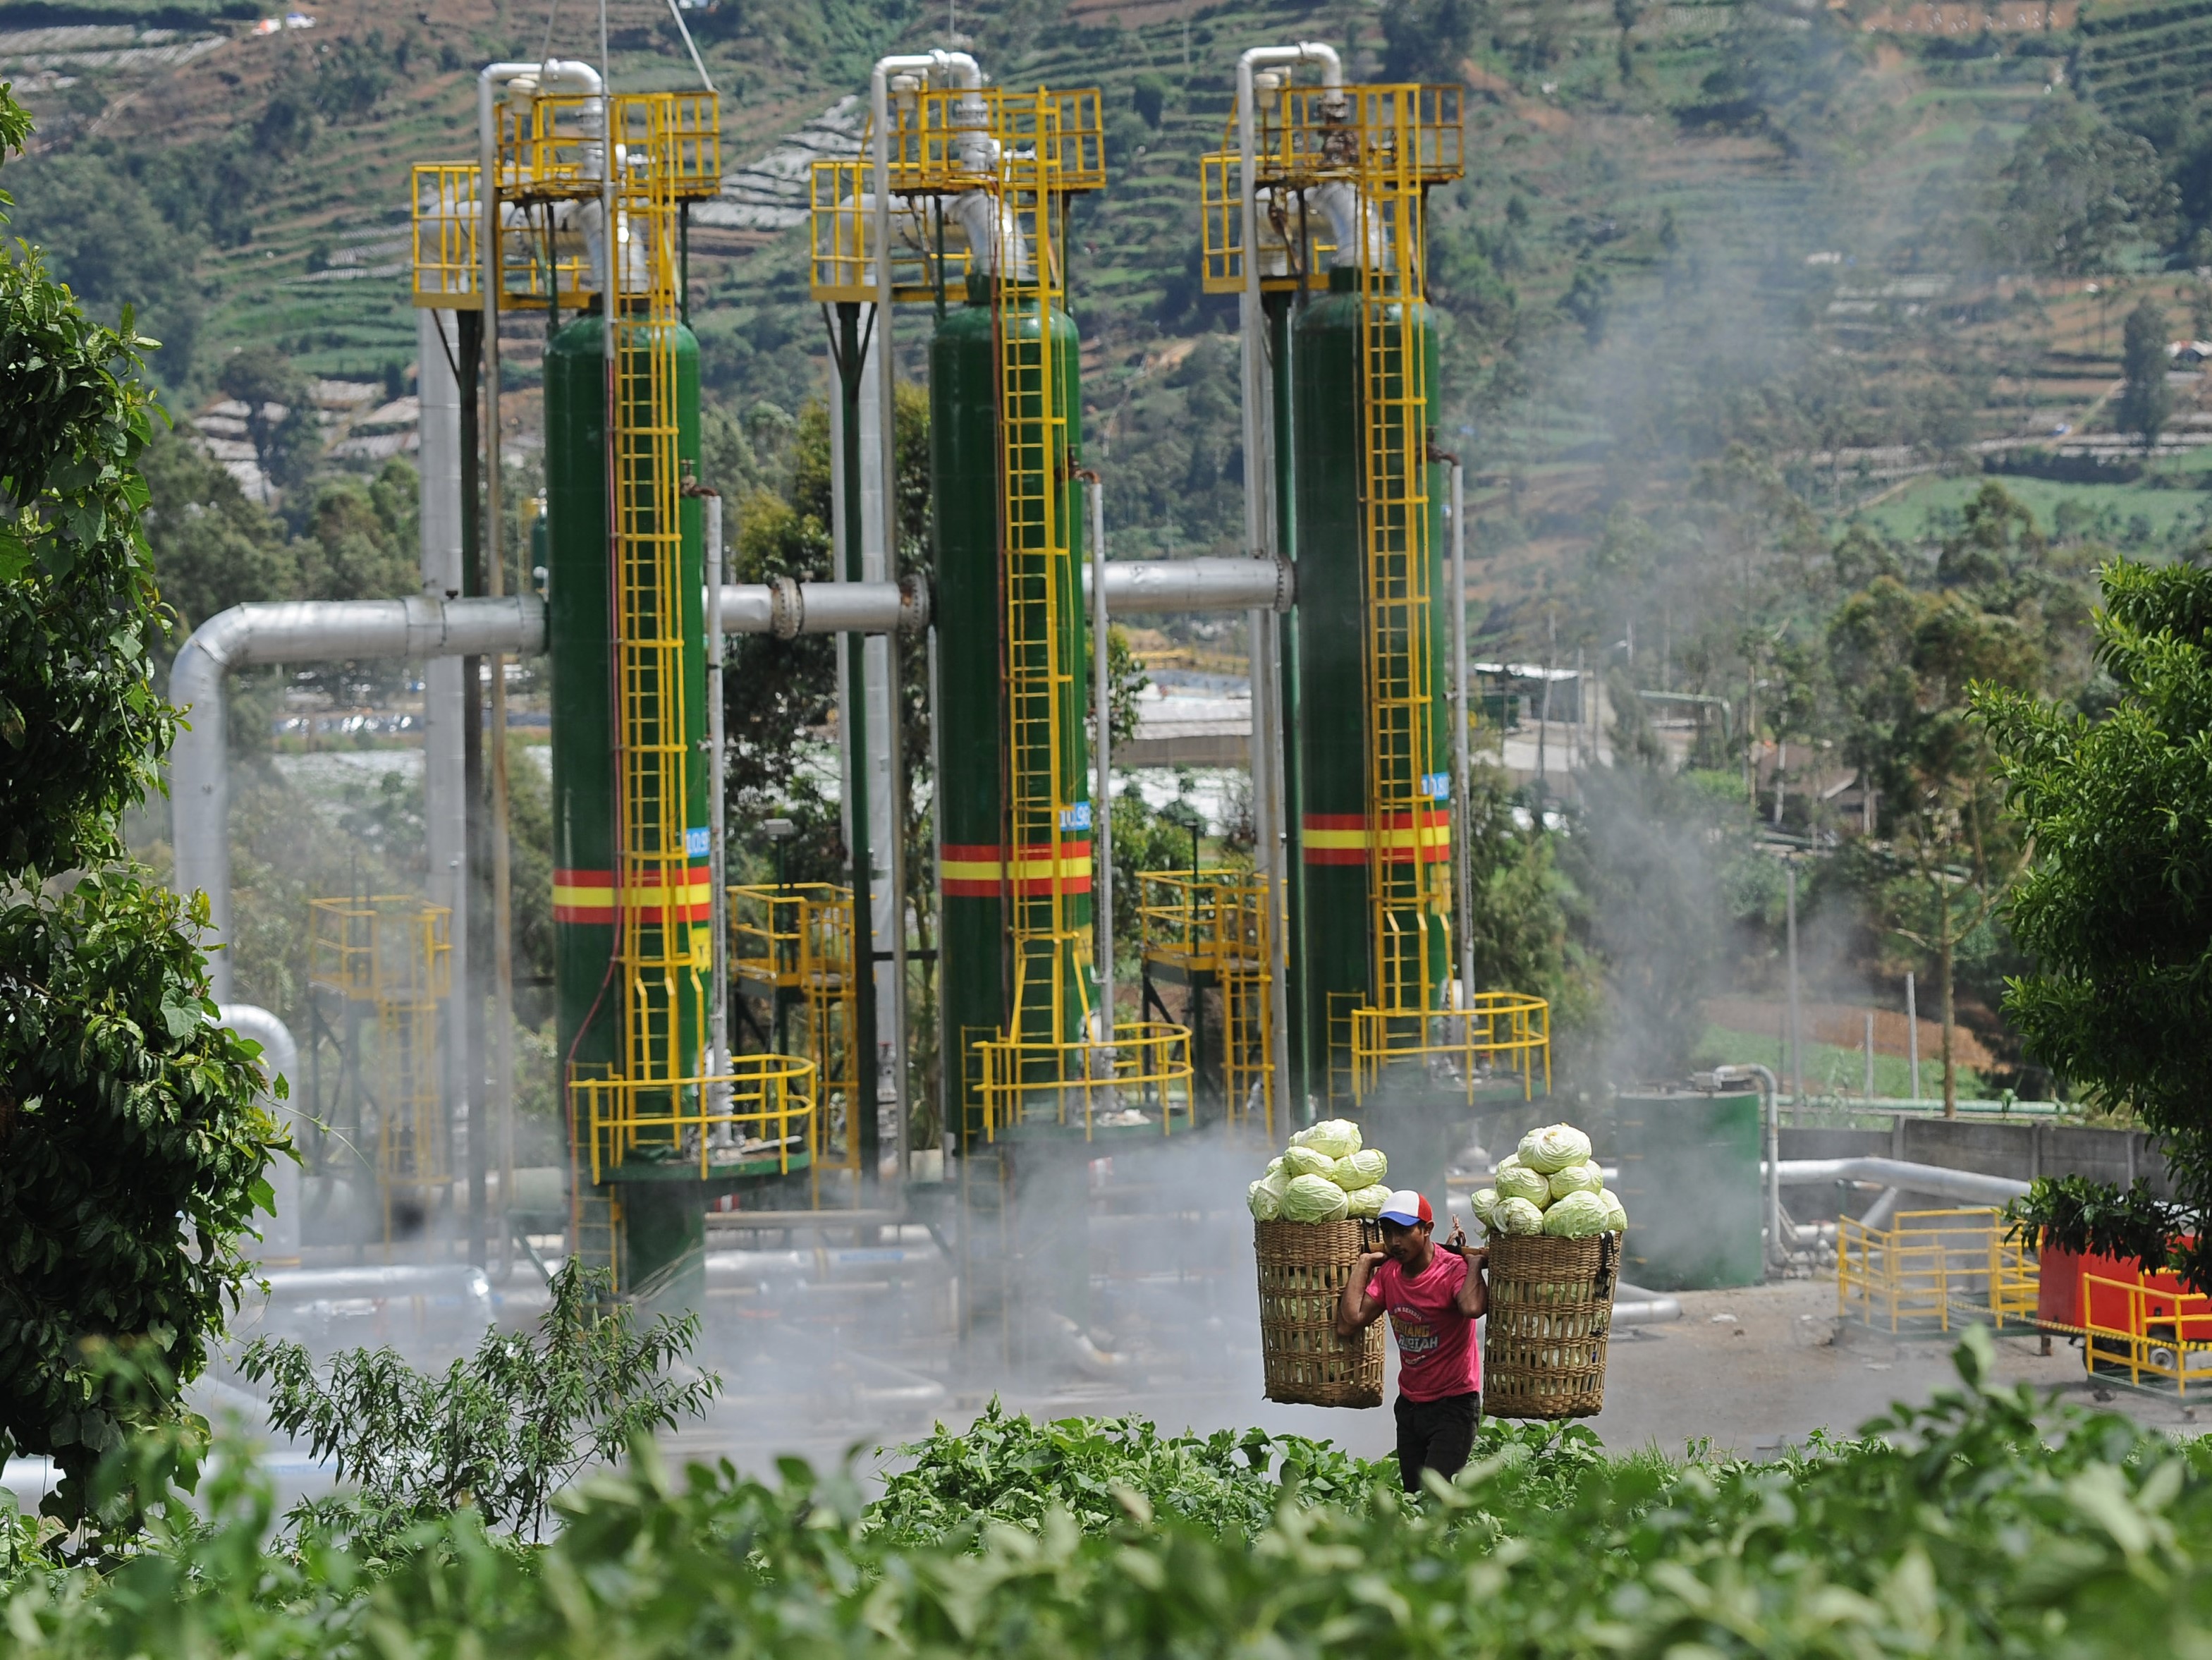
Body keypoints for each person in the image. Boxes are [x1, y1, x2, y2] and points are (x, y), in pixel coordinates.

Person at [1333, 1189, 1486, 1494]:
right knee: (1413, 1498)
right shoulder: (1390, 1274)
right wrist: (1365, 1263)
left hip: (1454, 1405)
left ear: (1427, 1230)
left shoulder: (1451, 1269)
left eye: (1403, 1232)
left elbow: (1472, 1308)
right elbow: (1349, 1322)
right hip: (1410, 1407)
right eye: (1388, 1233)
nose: (1394, 1242)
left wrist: (1472, 1265)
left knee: (1435, 1498)